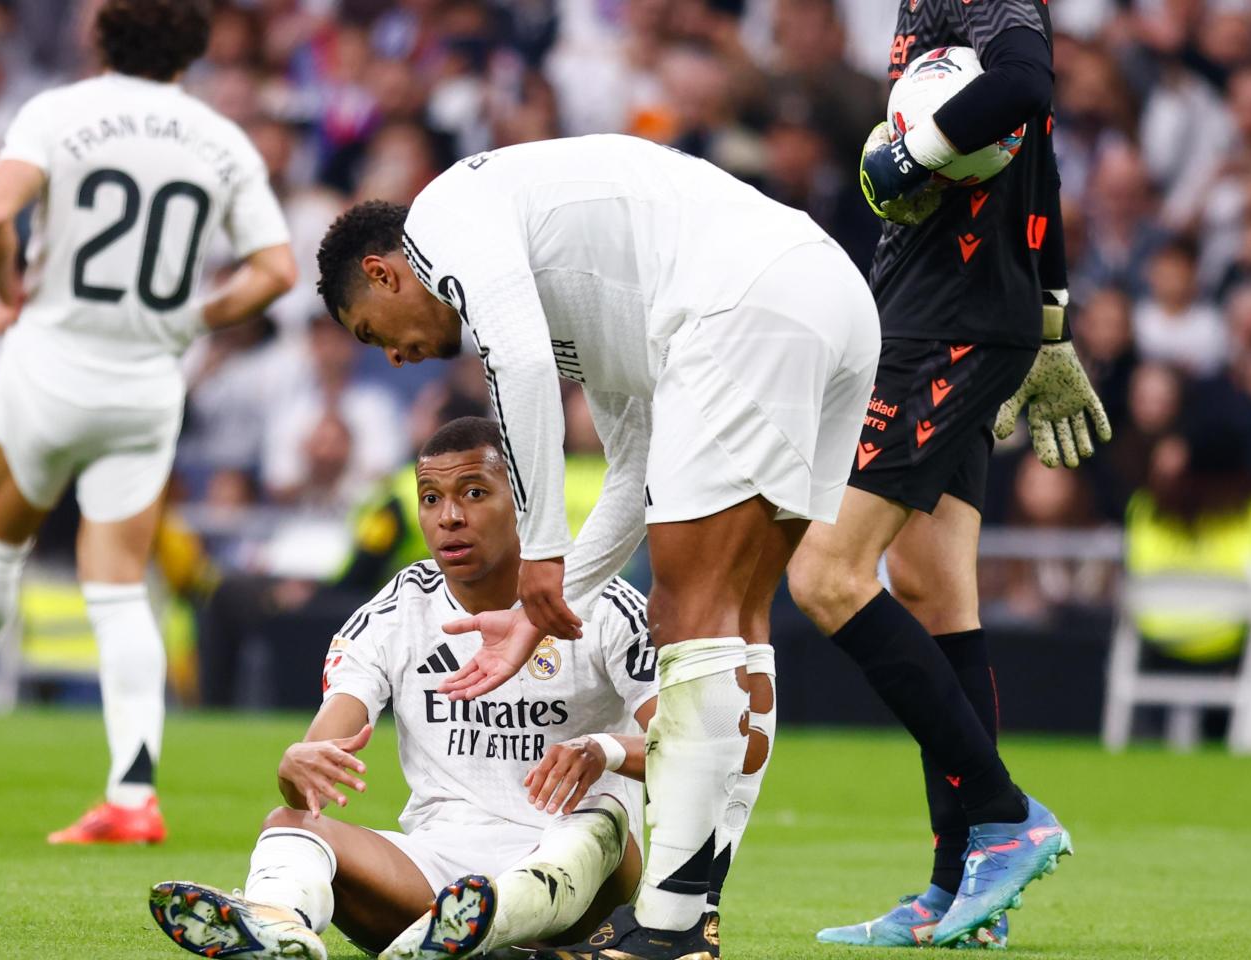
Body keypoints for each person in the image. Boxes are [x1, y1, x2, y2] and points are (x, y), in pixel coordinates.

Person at [316, 133, 881, 959]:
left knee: (688, 615)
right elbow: (632, 470)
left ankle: (673, 927)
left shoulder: (441, 220)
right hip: (826, 299)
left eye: (375, 333)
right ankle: (692, 916)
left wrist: (540, 553)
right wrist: (543, 606)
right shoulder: (594, 298)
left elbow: (517, 361)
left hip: (743, 304)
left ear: (384, 273)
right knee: (738, 618)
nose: (395, 357)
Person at [0, 0, 296, 846]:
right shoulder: (223, 141)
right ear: (194, 47)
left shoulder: (57, 112)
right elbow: (276, 270)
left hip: (50, 366)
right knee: (118, 588)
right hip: (146, 385)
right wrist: (193, 318)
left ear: (101, 35)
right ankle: (131, 793)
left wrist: (7, 292)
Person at [792, 0, 1094, 948]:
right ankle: (956, 893)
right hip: (942, 309)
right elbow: (1036, 162)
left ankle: (1005, 818)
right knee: (932, 593)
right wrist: (1050, 321)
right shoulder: (921, 8)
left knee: (826, 577)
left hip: (947, 322)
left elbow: (1023, 91)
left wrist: (914, 152)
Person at [149, 417, 656, 960]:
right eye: (431, 499)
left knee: (600, 818)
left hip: (583, 870)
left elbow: (685, 746)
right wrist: (296, 766)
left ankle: (478, 931)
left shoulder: (605, 605)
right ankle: (280, 928)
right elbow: (320, 758)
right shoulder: (398, 611)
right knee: (288, 826)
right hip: (440, 871)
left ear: (526, 503)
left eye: (475, 493)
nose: (450, 517)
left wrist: (603, 750)